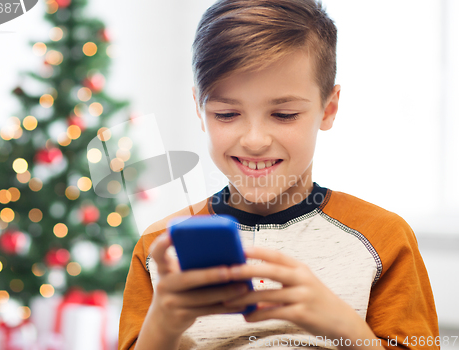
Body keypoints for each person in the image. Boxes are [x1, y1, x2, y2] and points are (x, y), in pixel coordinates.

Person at [118, 0, 440, 349]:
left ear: (328, 109)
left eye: (283, 114)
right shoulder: (159, 250)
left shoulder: (385, 240)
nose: (255, 140)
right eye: (226, 114)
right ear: (199, 109)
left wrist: (346, 327)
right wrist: (161, 327)